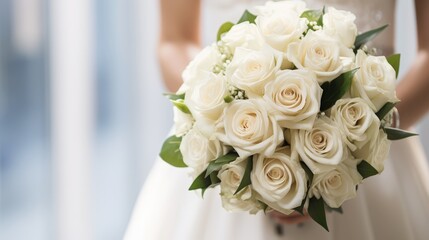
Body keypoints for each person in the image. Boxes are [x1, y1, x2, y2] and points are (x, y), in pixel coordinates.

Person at [124, 0, 429, 239]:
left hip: (372, 153)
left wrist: (360, 140)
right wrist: (225, 133)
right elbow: (173, 42)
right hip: (224, 151)